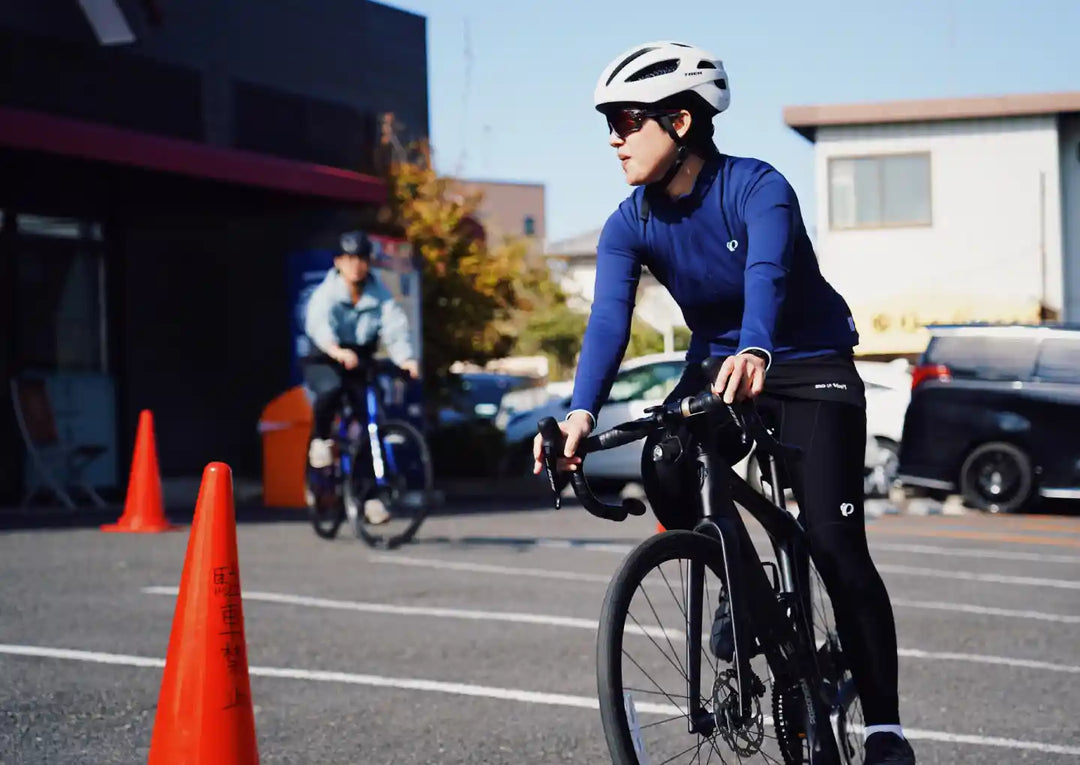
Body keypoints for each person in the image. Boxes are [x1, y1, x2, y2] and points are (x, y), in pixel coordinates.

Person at [532, 41, 915, 765]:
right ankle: (733, 584)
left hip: (807, 365)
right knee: (664, 457)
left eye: (626, 118)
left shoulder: (758, 187)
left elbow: (766, 274)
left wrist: (758, 347)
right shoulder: (629, 222)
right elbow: (609, 321)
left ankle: (887, 729)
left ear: (680, 121)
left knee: (835, 544)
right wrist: (582, 412)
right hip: (716, 367)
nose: (613, 136)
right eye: (606, 122)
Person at [303, 229, 419, 524]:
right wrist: (335, 350)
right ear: (338, 262)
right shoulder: (327, 293)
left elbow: (394, 327)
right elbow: (317, 323)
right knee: (329, 391)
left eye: (362, 259)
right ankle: (321, 439)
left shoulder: (379, 293)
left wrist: (405, 359)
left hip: (360, 359)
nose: (356, 265)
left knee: (371, 427)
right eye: (349, 258)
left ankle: (371, 498)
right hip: (326, 355)